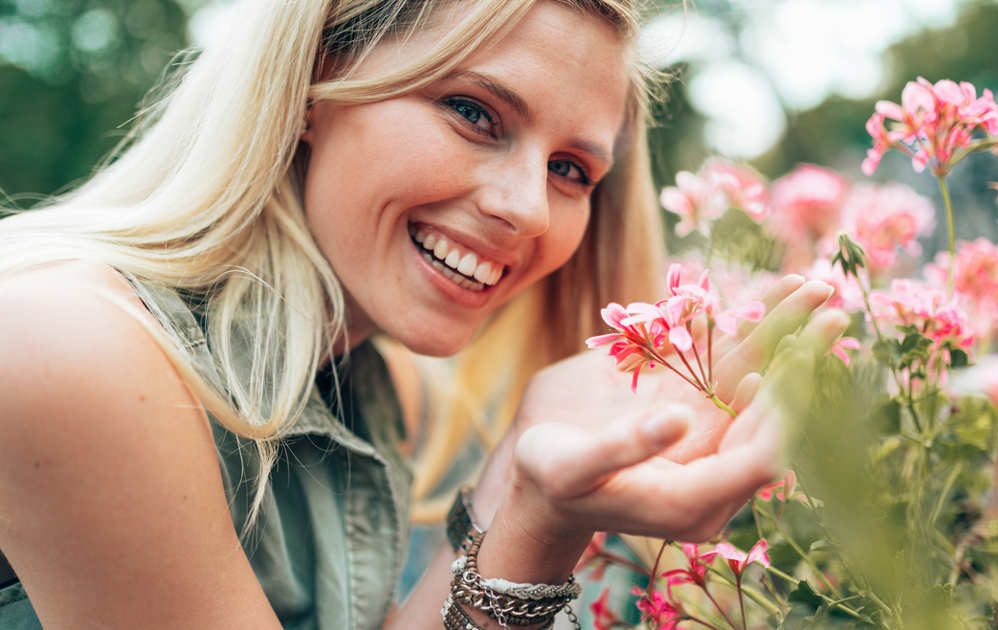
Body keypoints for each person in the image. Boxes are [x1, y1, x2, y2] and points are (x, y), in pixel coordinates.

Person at [0, 0, 847, 628]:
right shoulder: (72, 342)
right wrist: (529, 518)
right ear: (313, 85)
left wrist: (529, 494)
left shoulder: (363, 385)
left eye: (571, 171)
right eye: (475, 113)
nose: (526, 209)